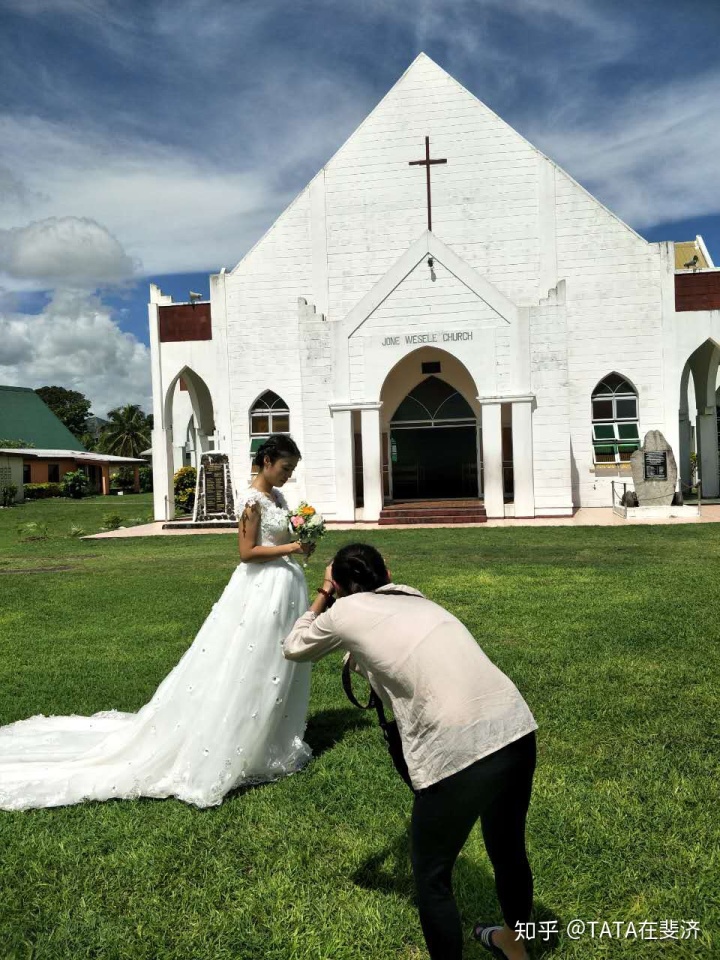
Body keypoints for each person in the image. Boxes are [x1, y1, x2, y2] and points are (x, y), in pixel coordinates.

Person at [0, 434, 313, 811]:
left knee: (275, 665)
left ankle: (270, 736)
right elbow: (246, 553)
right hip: (261, 589)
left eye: (292, 470)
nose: (287, 476)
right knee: (251, 662)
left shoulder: (278, 499)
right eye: (284, 468)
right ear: (266, 461)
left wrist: (302, 538)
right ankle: (233, 737)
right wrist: (291, 549)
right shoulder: (251, 500)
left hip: (284, 586)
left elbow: (277, 535)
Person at [283, 543, 537, 960]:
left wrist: (324, 593)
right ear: (388, 572)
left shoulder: (344, 611)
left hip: (457, 747)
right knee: (508, 849)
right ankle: (518, 942)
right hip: (514, 726)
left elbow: (294, 646)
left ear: (343, 587)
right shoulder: (414, 596)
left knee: (432, 875)